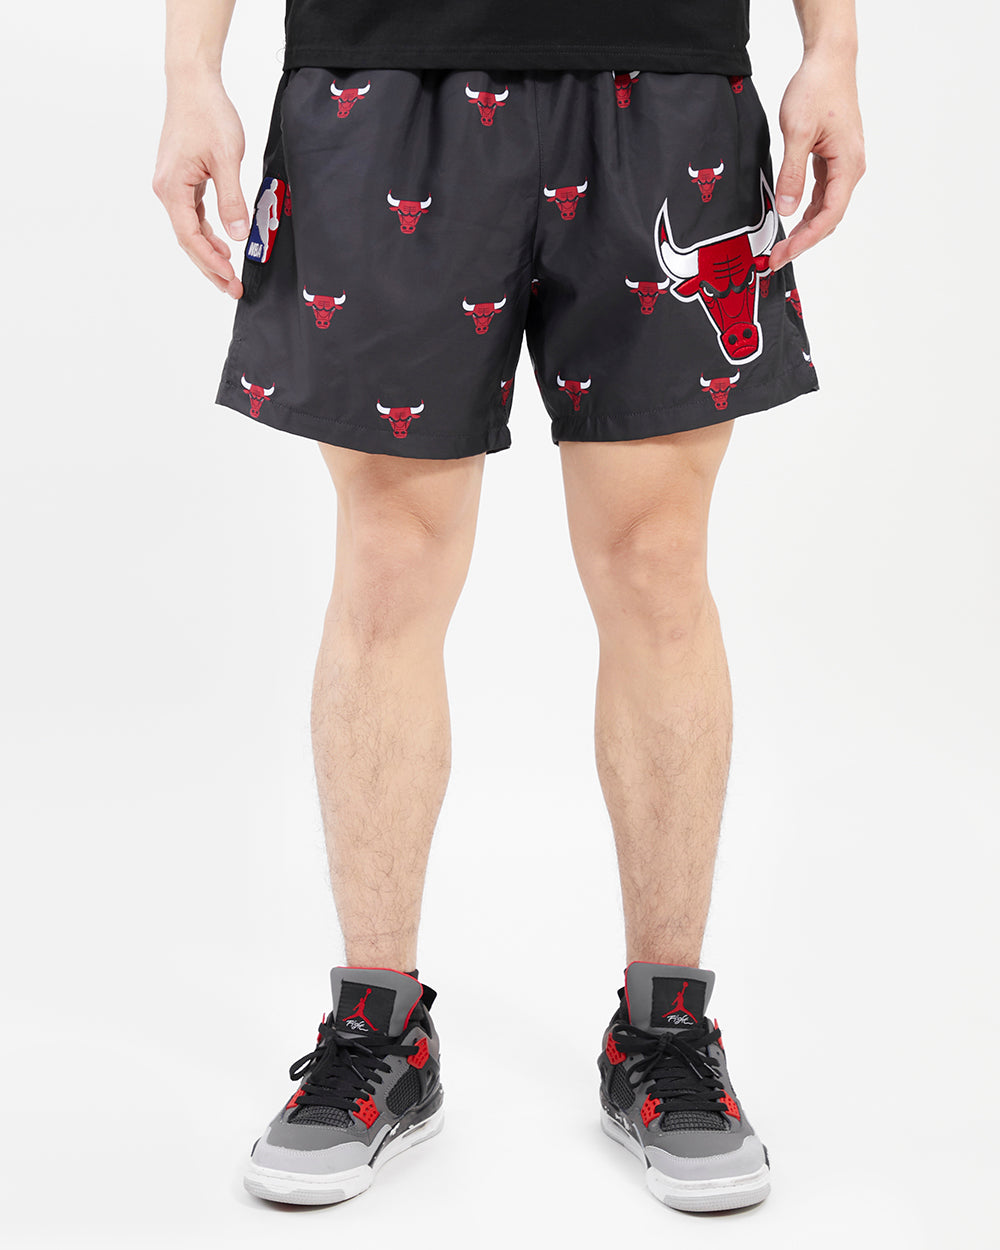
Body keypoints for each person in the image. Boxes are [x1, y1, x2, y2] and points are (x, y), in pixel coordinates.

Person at [153, 0, 864, 1214]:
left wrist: (833, 50)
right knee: (388, 555)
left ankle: (665, 1029)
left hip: (666, 72)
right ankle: (377, 1030)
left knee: (655, 560)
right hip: (382, 70)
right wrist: (190, 70)